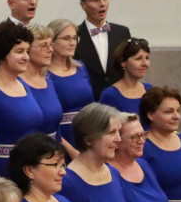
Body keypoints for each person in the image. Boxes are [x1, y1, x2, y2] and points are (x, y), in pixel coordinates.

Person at [0, 21, 44, 176]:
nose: (26, 57)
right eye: (19, 51)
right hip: (5, 171)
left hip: (31, 166)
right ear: (2, 54)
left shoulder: (22, 84)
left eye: (27, 51)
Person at [74, 0, 132, 100]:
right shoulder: (74, 35)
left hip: (119, 99)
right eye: (95, 0)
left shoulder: (122, 32)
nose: (102, 4)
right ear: (83, 5)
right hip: (89, 102)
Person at [46, 18, 93, 153]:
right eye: (67, 38)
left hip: (88, 136)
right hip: (62, 141)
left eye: (74, 38)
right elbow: (49, 121)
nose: (72, 43)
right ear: (52, 42)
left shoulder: (81, 68)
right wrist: (70, 150)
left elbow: (92, 104)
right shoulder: (45, 75)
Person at [20, 24, 64, 143]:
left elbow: (56, 127)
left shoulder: (48, 79)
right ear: (27, 50)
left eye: (50, 45)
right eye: (43, 45)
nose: (50, 50)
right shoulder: (17, 83)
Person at [98, 38, 151, 116]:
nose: (145, 63)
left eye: (147, 58)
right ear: (123, 62)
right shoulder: (110, 95)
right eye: (138, 58)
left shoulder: (149, 90)